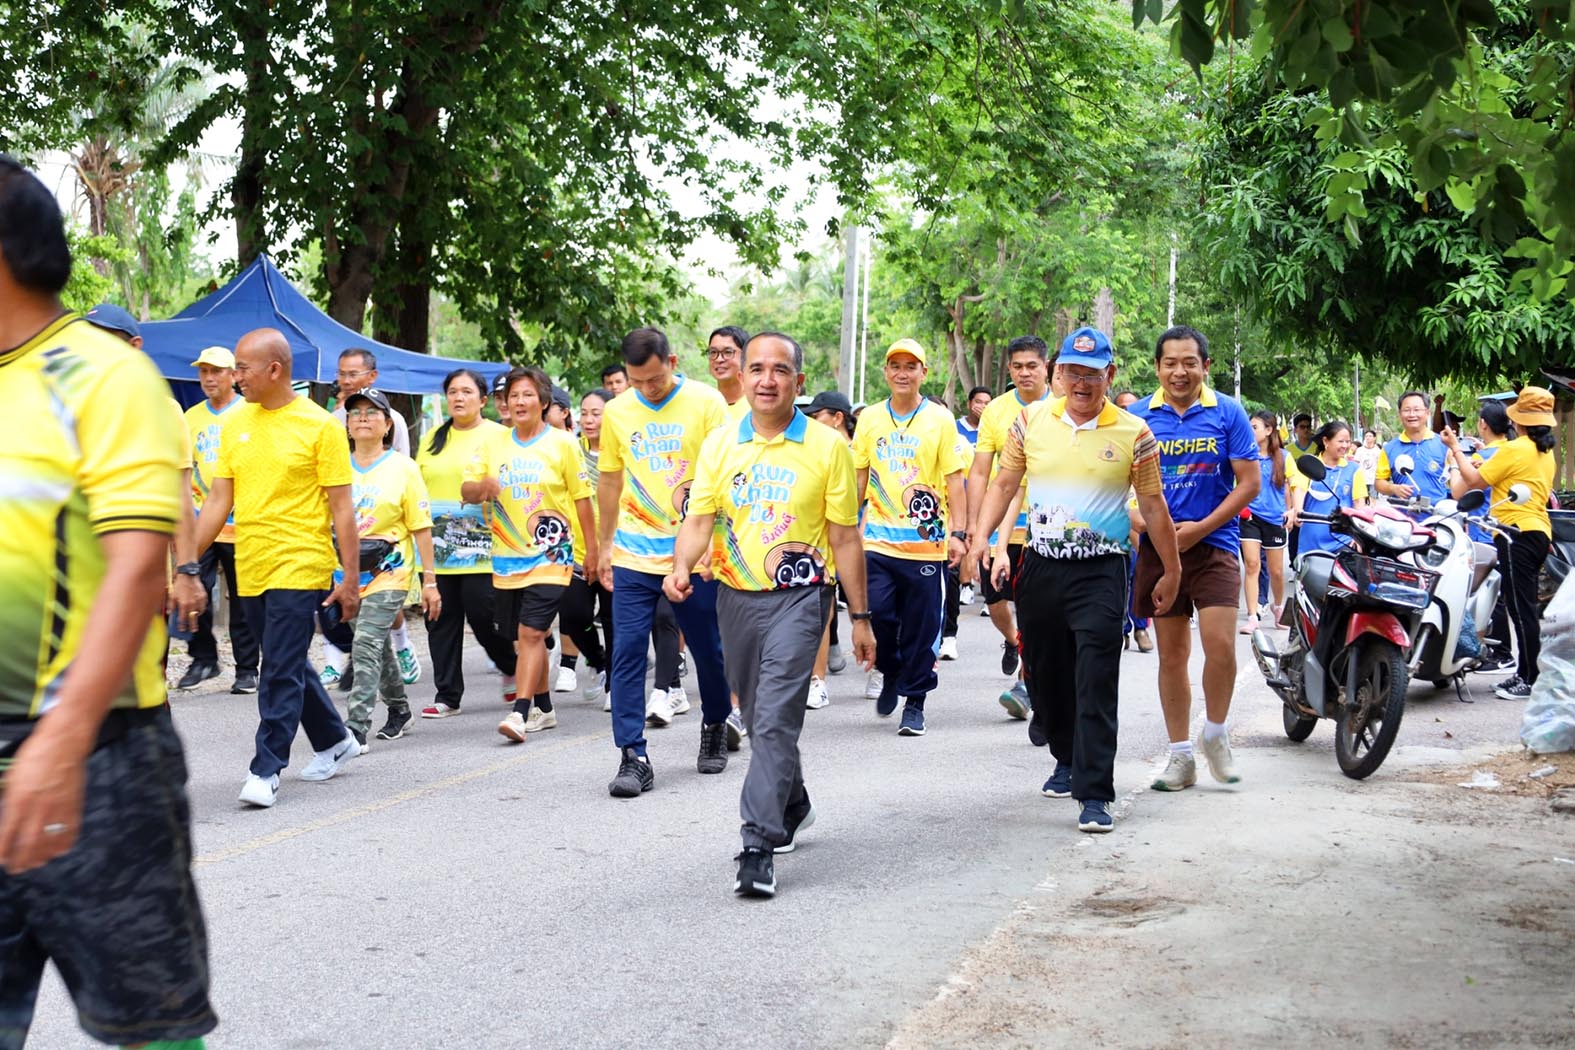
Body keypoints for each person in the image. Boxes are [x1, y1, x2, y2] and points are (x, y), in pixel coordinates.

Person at [0, 155, 218, 1047]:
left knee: (149, 1026)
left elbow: (134, 569)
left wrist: (60, 740)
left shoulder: (102, 377)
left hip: (97, 754)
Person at [664, 331, 876, 897]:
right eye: (756, 368)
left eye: (779, 370)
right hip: (734, 597)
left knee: (777, 718)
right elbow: (700, 518)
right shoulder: (720, 444)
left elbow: (846, 539)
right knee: (761, 721)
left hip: (802, 599)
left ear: (797, 382)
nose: (765, 379)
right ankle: (795, 800)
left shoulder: (829, 448)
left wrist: (859, 616)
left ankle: (756, 844)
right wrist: (681, 565)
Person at [969, 326, 1180, 833]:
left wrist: (1171, 568)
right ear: (1058, 374)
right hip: (1040, 567)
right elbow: (1004, 482)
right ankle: (1065, 754)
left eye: (1093, 373)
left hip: (1102, 571)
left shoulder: (1135, 433)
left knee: (1096, 679)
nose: (1081, 382)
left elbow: (1153, 507)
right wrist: (979, 540)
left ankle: (1094, 792)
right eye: (1072, 372)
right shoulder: (1029, 421)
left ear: (1109, 374)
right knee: (1045, 674)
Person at [196, 327, 363, 808]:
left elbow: (342, 508)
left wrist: (349, 578)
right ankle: (335, 739)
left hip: (301, 560)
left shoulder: (321, 426)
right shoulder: (234, 425)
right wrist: (185, 563)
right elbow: (218, 501)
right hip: (251, 562)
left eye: (242, 368)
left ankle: (265, 767)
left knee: (278, 669)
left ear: (275, 369)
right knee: (284, 661)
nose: (235, 376)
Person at [596, 328, 731, 796]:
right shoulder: (616, 412)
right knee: (629, 650)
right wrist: (604, 545)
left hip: (694, 552)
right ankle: (633, 754)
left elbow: (721, 477)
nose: (647, 389)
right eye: (637, 381)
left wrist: (717, 546)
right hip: (634, 551)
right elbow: (610, 482)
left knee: (706, 647)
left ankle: (715, 724)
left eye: (654, 379)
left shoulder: (706, 403)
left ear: (672, 361)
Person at [1127, 325, 1259, 793]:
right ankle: (1180, 755)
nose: (1179, 371)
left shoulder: (1228, 413)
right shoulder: (1138, 418)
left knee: (1221, 646)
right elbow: (1123, 486)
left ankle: (1216, 733)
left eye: (1189, 362)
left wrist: (1201, 527)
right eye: (1170, 363)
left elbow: (1249, 483)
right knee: (1172, 655)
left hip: (1217, 544)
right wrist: (1141, 523)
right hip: (1159, 552)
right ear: (1158, 367)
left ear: (1205, 365)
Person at [461, 367, 597, 740]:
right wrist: (482, 487)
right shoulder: (493, 443)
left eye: (527, 395)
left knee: (532, 633)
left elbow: (582, 500)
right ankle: (546, 709)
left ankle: (520, 712)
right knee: (521, 640)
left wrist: (594, 552)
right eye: (513, 396)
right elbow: (467, 491)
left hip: (552, 555)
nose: (519, 402)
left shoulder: (564, 443)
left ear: (544, 402)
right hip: (506, 556)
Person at [853, 339, 968, 736]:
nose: (902, 372)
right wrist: (848, 524)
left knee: (922, 628)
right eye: (895, 365)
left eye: (911, 366)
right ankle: (890, 670)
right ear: (885, 372)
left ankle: (915, 701)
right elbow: (859, 474)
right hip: (878, 541)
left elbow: (955, 479)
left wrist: (958, 533)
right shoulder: (869, 418)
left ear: (923, 372)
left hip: (927, 543)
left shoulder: (940, 418)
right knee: (878, 616)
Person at [339, 387, 441, 752]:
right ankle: (399, 710)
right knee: (376, 646)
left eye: (371, 412)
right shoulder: (334, 465)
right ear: (347, 425)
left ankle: (354, 729)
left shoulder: (404, 468)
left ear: (387, 425)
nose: (362, 418)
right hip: (346, 574)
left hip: (391, 570)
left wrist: (429, 581)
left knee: (365, 642)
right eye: (355, 413)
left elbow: (421, 527)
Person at [1443, 387, 1558, 701]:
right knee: (1523, 606)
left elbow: (1474, 481)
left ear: (1519, 420)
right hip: (1536, 532)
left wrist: (1455, 448)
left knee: (1522, 610)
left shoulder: (1515, 449)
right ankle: (1522, 672)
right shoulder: (1544, 452)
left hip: (1515, 532)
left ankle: (1531, 679)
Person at [415, 369, 518, 717]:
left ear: (483, 400)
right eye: (453, 392)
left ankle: (513, 664)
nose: (459, 398)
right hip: (438, 542)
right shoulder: (432, 438)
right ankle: (447, 695)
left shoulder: (501, 435)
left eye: (467, 392)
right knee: (439, 617)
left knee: (483, 612)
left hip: (484, 542)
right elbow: (418, 486)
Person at [966, 335, 1052, 721]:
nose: (1024, 373)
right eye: (1017, 366)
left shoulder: (1061, 408)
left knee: (1035, 609)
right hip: (1002, 524)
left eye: (1031, 365)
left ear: (1046, 367)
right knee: (996, 601)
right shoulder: (996, 411)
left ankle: (1025, 683)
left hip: (1045, 529)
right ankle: (1014, 642)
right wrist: (974, 529)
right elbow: (983, 471)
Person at [173, 344, 263, 693]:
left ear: (232, 376)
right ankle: (204, 657)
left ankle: (246, 669)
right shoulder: (190, 417)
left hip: (243, 519)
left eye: (216, 372)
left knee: (243, 599)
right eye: (204, 372)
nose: (208, 378)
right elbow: (185, 467)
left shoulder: (251, 412)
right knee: (192, 586)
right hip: (202, 518)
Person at [331, 347, 422, 689]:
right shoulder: (333, 420)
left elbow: (399, 471)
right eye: (342, 374)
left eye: (354, 374)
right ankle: (387, 694)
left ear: (372, 376)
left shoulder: (393, 420)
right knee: (351, 611)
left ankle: (401, 645)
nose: (347, 380)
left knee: (381, 601)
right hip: (344, 523)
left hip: (383, 530)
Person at [805, 389, 857, 706]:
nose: (811, 421)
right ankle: (816, 679)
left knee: (864, 610)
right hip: (823, 545)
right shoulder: (814, 452)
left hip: (860, 545)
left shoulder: (853, 454)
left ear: (837, 418)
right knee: (820, 613)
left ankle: (882, 668)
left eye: (817, 415)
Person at [566, 388, 616, 709]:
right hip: (576, 553)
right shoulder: (570, 450)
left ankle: (614, 681)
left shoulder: (622, 453)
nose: (588, 419)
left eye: (596, 413)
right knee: (573, 615)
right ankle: (596, 659)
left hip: (616, 553)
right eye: (584, 412)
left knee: (614, 621)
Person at [1465, 400, 1516, 674]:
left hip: (1483, 533)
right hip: (1499, 529)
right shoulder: (1507, 451)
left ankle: (1500, 652)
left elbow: (1460, 489)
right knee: (1502, 596)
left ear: (1483, 424)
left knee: (1490, 596)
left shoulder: (1484, 458)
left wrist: (1454, 461)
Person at [1286, 420, 1369, 556]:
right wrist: (1297, 512)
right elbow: (1299, 491)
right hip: (1310, 543)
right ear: (1326, 441)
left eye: (1348, 441)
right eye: (1340, 441)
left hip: (1342, 542)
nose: (1345, 446)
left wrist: (1359, 537)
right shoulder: (1309, 465)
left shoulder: (1354, 469)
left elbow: (1359, 504)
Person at [1241, 410, 1290, 633]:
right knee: (1252, 565)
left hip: (1275, 518)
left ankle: (1278, 606)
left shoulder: (1284, 457)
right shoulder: (1244, 455)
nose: (1251, 431)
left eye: (1255, 427)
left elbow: (1293, 486)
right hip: (1250, 517)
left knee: (1276, 571)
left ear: (1269, 430)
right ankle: (1252, 616)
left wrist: (1292, 510)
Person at [1113, 390, 1154, 653]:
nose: (1129, 411)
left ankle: (1140, 628)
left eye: (1133, 406)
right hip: (1115, 523)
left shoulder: (1147, 438)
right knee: (1118, 579)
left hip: (1144, 520)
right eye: (1123, 407)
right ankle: (1121, 630)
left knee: (1142, 575)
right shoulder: (1109, 438)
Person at [1375, 391, 1451, 511]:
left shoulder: (1444, 444)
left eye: (1417, 410)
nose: (1412, 414)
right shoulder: (1389, 448)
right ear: (1400, 414)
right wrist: (1393, 488)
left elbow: (1455, 481)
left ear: (1427, 413)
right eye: (1406, 410)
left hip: (1437, 520)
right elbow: (1379, 482)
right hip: (1403, 521)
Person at [708, 325, 750, 420]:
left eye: (727, 352)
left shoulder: (758, 406)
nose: (719, 359)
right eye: (713, 352)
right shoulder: (705, 404)